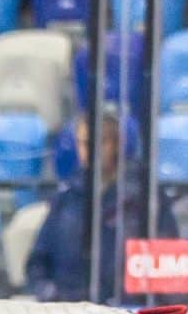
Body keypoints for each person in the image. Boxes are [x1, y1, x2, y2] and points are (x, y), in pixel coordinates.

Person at [24, 108, 177, 303]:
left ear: (117, 144)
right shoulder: (66, 197)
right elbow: (37, 262)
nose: (88, 150)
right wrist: (48, 292)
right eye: (82, 143)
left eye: (98, 142)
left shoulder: (145, 196)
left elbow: (166, 260)